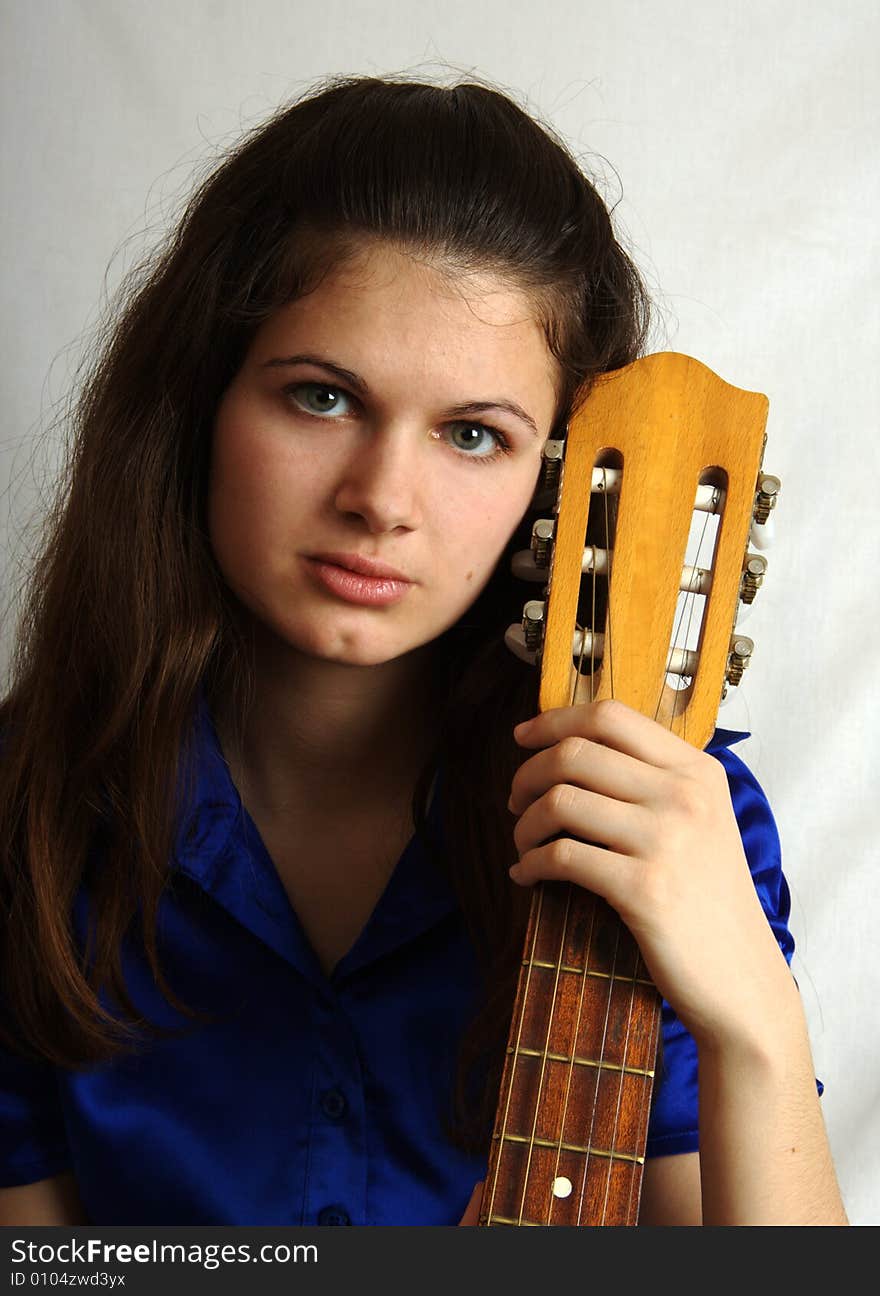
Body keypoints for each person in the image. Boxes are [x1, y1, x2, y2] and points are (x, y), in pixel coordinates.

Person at [0, 72, 847, 1228]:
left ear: (556, 480)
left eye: (471, 435)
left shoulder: (663, 808)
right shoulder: (26, 810)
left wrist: (754, 1019)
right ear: (201, 405)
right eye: (321, 399)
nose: (382, 499)